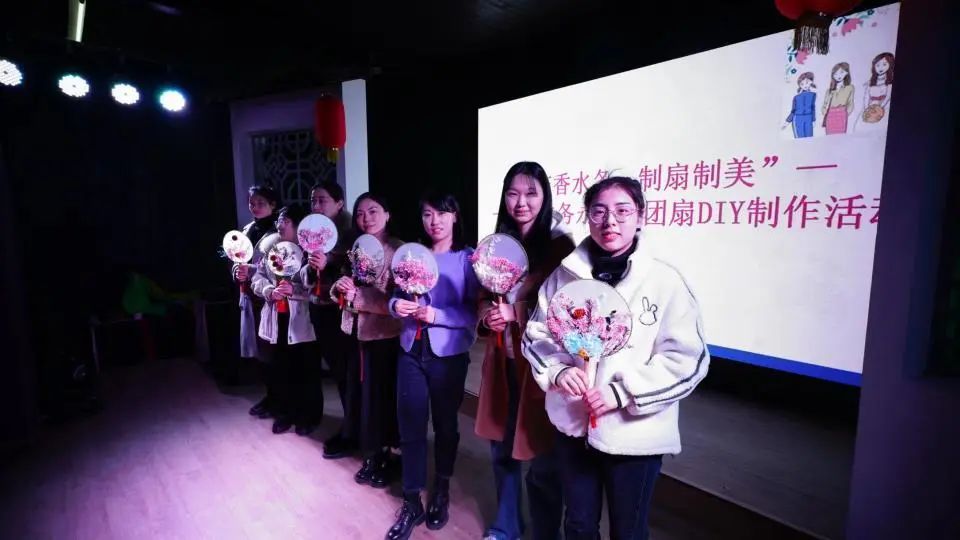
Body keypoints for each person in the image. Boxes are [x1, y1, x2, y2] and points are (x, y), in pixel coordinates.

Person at [523, 177, 710, 540]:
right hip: (574, 426)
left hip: (634, 435)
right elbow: (537, 334)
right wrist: (558, 371)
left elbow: (687, 360)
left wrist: (622, 393)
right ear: (588, 216)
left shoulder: (664, 281)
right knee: (578, 525)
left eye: (622, 211)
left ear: (641, 217)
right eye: (599, 211)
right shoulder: (564, 276)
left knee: (628, 530)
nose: (610, 221)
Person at [475, 162, 574, 540]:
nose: (521, 202)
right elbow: (482, 298)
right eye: (513, 193)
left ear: (545, 197)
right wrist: (487, 315)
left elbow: (566, 307)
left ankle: (546, 533)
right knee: (500, 449)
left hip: (541, 368)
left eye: (531, 193)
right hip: (502, 363)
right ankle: (506, 526)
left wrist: (515, 312)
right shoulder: (495, 245)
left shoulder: (561, 247)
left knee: (543, 456)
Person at [385, 192, 480, 540]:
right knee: (409, 423)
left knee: (445, 425)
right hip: (410, 348)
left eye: (442, 213)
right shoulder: (412, 254)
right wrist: (397, 307)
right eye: (427, 214)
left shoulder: (468, 259)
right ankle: (411, 500)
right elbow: (395, 296)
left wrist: (436, 315)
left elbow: (474, 312)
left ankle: (441, 489)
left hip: (448, 354)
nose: (434, 221)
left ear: (455, 216)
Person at [330, 192, 404, 488]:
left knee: (385, 397)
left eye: (373, 211)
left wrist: (359, 296)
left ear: (388, 214)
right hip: (356, 333)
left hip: (386, 336)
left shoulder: (399, 251)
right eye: (360, 213)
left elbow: (399, 302)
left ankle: (392, 455)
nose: (366, 218)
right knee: (363, 396)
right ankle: (373, 452)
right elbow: (345, 286)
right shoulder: (356, 246)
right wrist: (340, 287)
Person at [251, 204, 319, 435]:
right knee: (281, 368)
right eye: (279, 220)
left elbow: (316, 289)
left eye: (286, 221)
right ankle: (285, 413)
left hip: (303, 321)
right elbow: (258, 277)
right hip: (277, 316)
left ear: (299, 226)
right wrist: (269, 290)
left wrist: (294, 291)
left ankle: (309, 416)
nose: (280, 224)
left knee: (306, 369)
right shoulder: (272, 248)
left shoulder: (311, 253)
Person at [304, 181, 359, 450]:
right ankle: (351, 427)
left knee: (348, 373)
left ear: (339, 203)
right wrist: (310, 267)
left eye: (322, 200)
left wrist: (331, 260)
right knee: (338, 371)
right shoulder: (311, 231)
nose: (316, 205)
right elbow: (304, 271)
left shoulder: (351, 233)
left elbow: (356, 266)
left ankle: (353, 431)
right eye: (313, 200)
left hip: (342, 311)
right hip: (319, 306)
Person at [233, 185, 279, 417]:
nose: (255, 207)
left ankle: (279, 399)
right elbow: (237, 260)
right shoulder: (247, 229)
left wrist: (250, 270)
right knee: (260, 352)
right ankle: (270, 397)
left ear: (273, 205)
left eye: (261, 203)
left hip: (270, 298)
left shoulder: (278, 231)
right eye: (252, 203)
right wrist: (237, 271)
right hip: (251, 296)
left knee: (273, 352)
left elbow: (274, 266)